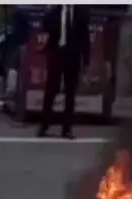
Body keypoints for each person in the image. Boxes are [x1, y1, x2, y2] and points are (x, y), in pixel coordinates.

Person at [38, 5, 91, 139]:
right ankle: (44, 125)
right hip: (56, 54)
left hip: (73, 56)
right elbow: (44, 31)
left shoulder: (81, 13)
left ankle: (67, 129)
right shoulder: (53, 13)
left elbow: (85, 38)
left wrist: (86, 59)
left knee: (70, 93)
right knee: (51, 90)